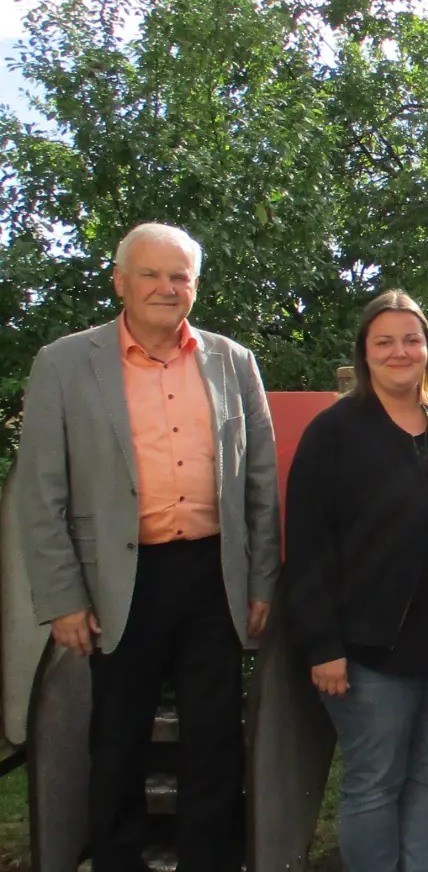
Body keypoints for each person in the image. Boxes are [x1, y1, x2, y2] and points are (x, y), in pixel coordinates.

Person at [13, 222, 279, 870]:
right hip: (117, 581)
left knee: (215, 742)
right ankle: (116, 859)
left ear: (195, 286)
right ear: (120, 283)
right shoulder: (64, 363)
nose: (167, 287)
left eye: (180, 276)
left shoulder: (233, 361)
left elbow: (261, 483)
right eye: (152, 275)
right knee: (118, 739)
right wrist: (64, 599)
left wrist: (261, 583)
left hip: (213, 574)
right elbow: (40, 492)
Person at [282, 290, 428, 872]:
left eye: (412, 339)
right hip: (366, 650)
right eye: (385, 341)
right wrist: (322, 647)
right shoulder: (334, 433)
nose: (401, 351)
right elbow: (308, 546)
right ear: (365, 354)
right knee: (374, 781)